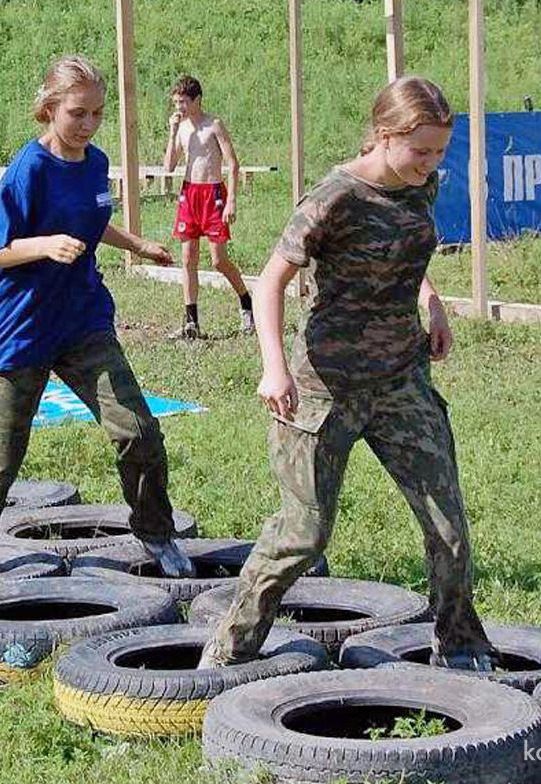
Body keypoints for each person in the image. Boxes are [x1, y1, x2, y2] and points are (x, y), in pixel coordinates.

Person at [200, 77, 497, 671]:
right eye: (422, 150)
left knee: (449, 527)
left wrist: (431, 301)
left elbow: (408, 252)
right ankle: (227, 651)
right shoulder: (333, 197)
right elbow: (270, 282)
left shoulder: (422, 185)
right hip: (323, 389)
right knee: (304, 536)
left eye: (440, 151)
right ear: (385, 136)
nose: (432, 163)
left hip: (399, 381)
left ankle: (460, 648)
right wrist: (273, 369)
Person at [0, 55, 194, 580]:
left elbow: (95, 219)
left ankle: (156, 533)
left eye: (98, 114)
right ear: (49, 109)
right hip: (20, 332)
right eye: (78, 113)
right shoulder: (27, 170)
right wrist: (44, 245)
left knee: (138, 431)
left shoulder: (95, 164)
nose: (89, 125)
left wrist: (137, 244)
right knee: (0, 461)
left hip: (82, 323)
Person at [163, 75, 253, 339]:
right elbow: (169, 167)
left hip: (213, 195)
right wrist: (171, 133)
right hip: (190, 193)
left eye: (183, 102)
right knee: (188, 257)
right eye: (176, 102)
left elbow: (233, 164)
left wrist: (232, 201)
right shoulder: (181, 128)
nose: (179, 107)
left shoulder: (213, 125)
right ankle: (191, 322)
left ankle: (247, 302)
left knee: (218, 261)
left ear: (197, 100)